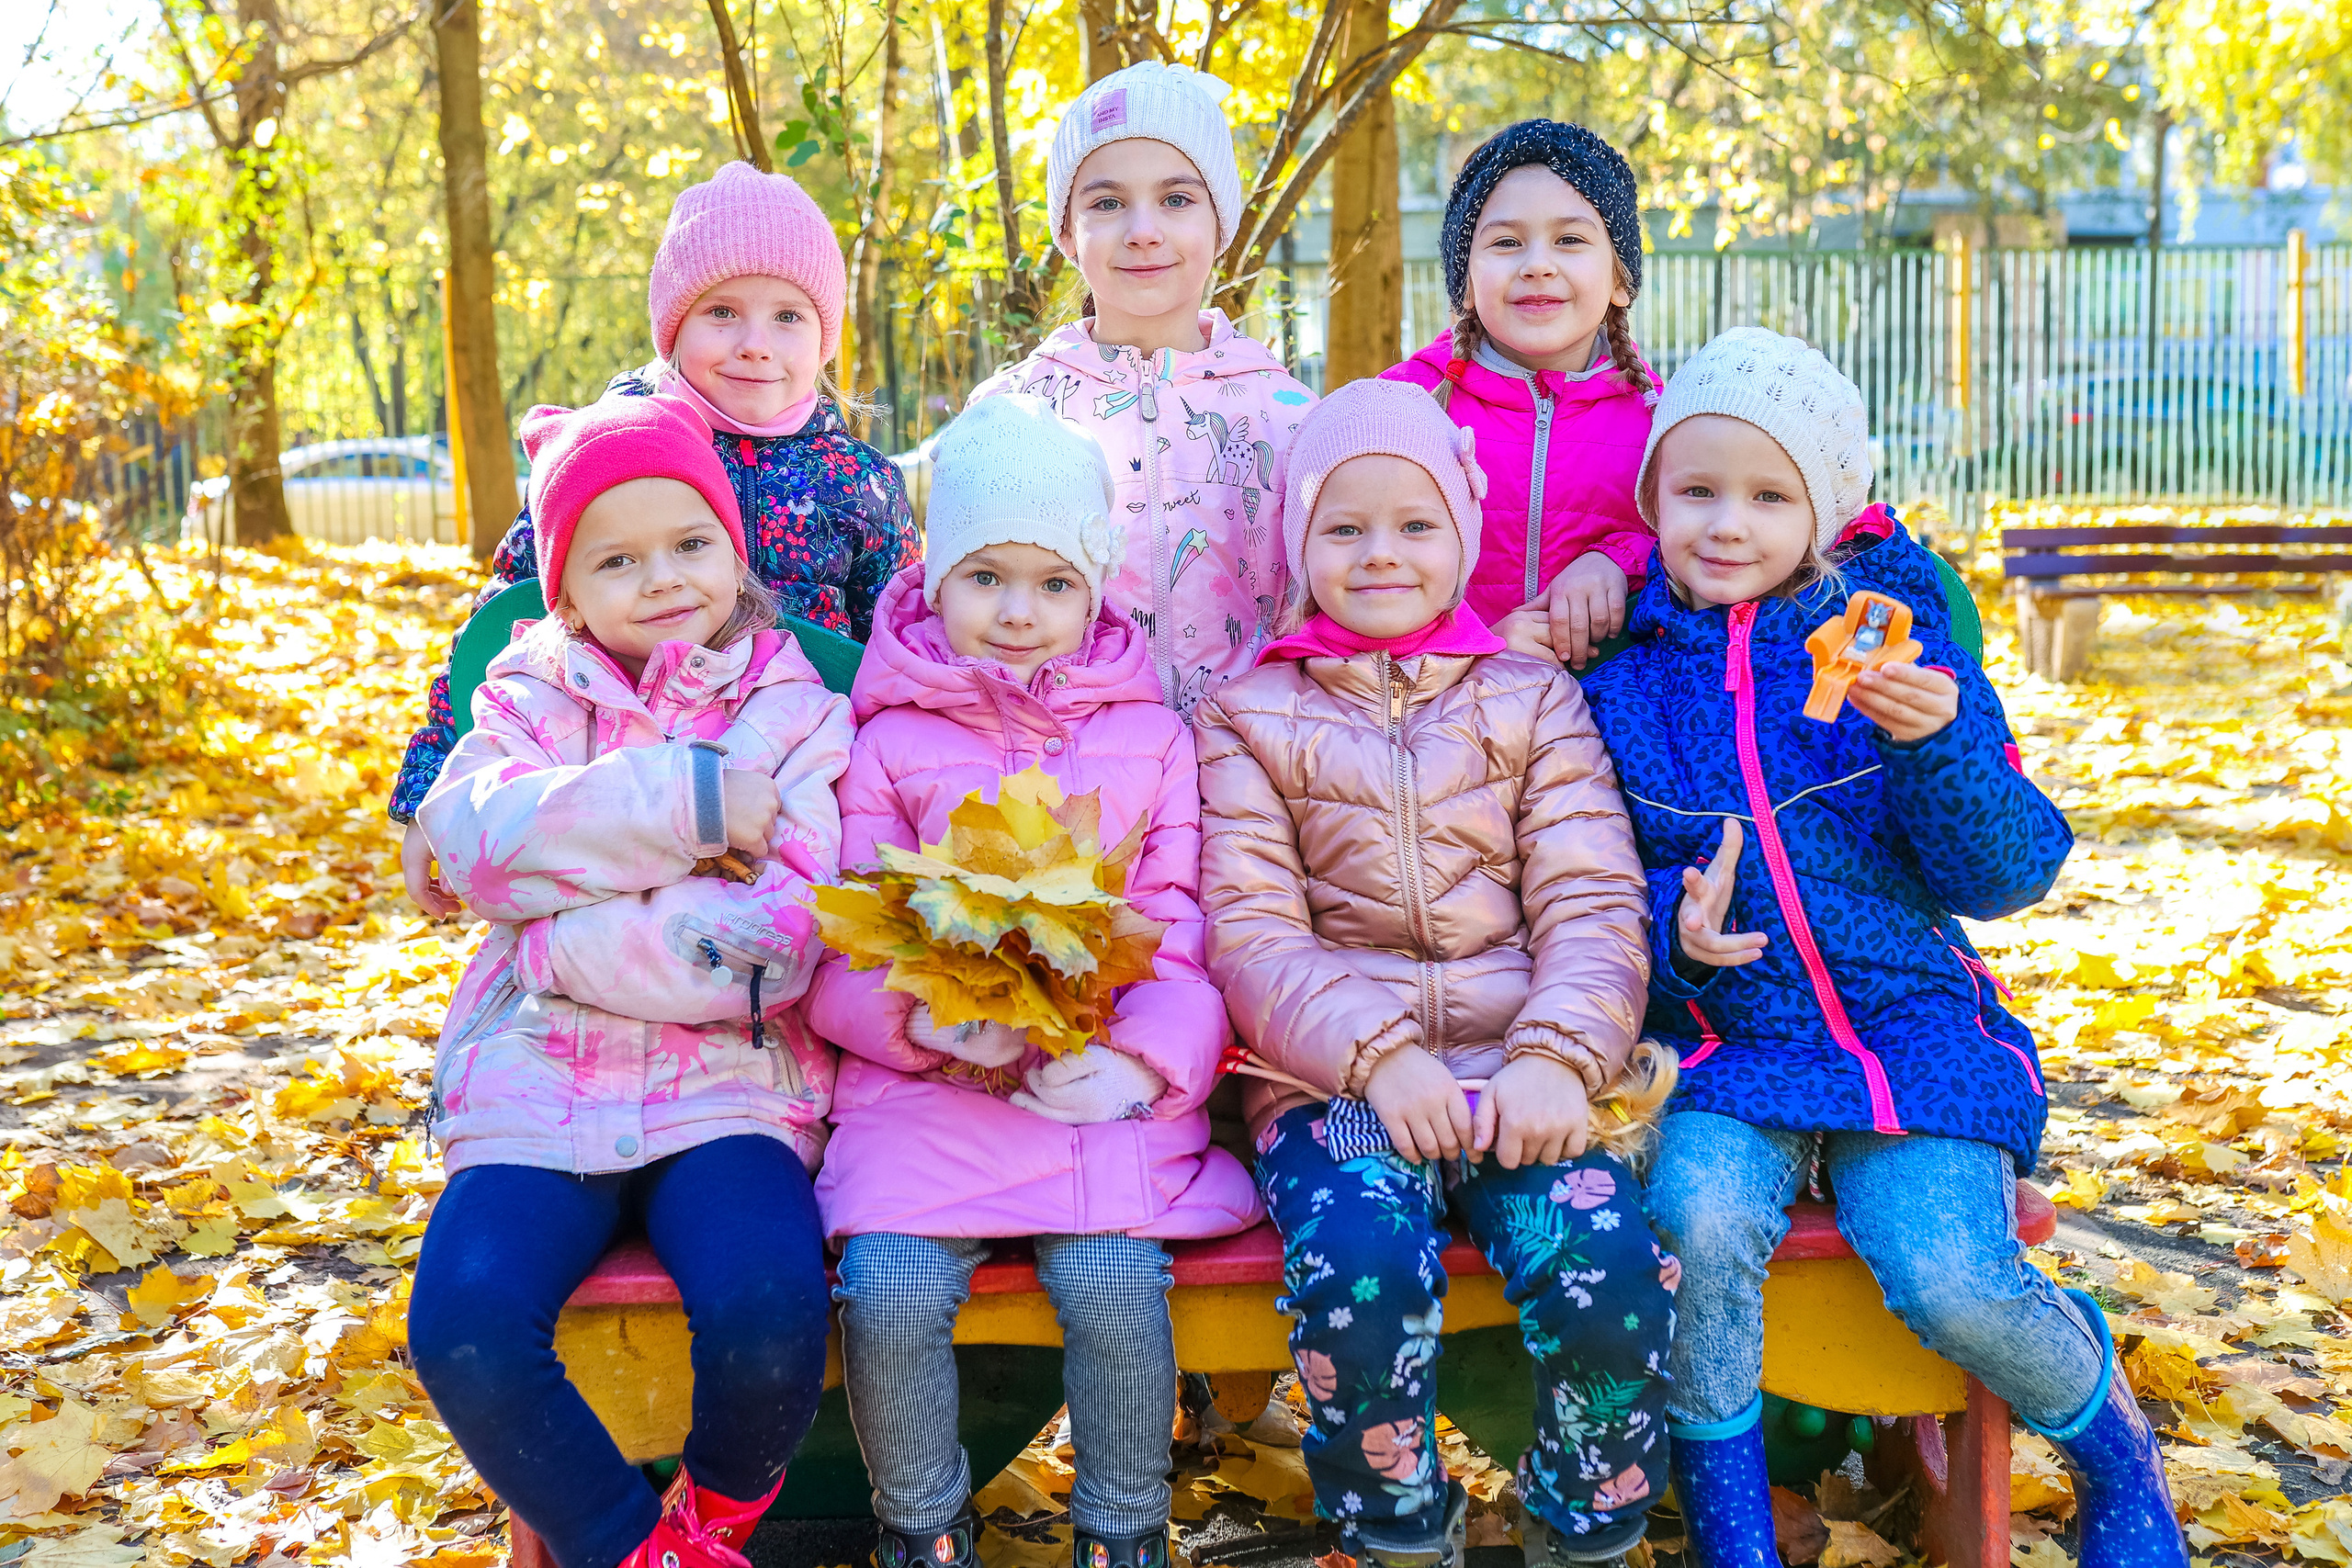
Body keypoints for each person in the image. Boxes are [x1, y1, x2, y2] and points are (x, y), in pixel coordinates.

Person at [1577, 328, 2186, 1568]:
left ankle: (2113, 1441)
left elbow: (2011, 868)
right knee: (1694, 1219)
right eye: (1695, 491)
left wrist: (1940, 739)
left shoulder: (1889, 633)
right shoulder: (1628, 682)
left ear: (1829, 506)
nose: (1728, 524)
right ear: (1653, 501)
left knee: (1952, 1272)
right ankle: (1735, 1527)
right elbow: (1598, 878)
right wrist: (1675, 937)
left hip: (1912, 1036)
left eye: (1768, 494)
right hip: (1729, 1046)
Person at [1195, 378, 1679, 1568]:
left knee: (1610, 1272)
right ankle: (1398, 1532)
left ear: (1462, 535)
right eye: (1343, 526)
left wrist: (1561, 1056)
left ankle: (1585, 1524)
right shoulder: (1251, 712)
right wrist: (1378, 1055)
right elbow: (1253, 931)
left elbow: (1591, 900)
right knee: (1363, 1273)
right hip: (1336, 1085)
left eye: (1414, 524)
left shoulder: (1530, 698)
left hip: (1528, 1076)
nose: (1380, 553)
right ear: (1298, 543)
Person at [806, 396, 1258, 1568]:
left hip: (1089, 1088)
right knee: (892, 1288)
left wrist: (1144, 1062)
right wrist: (937, 1031)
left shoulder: (1150, 737)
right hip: (925, 1100)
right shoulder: (886, 736)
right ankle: (923, 1524)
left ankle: (1121, 1529)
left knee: (1113, 1281)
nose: (1018, 612)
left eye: (1054, 583)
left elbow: (1178, 925)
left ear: (1095, 592)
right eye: (986, 578)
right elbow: (846, 936)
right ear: (934, 579)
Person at [405, 394, 854, 1568]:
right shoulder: (521, 696)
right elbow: (473, 844)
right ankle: (629, 1551)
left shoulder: (790, 708)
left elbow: (783, 939)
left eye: (690, 544)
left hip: (732, 1093)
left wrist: (555, 931)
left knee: (770, 1312)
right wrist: (690, 811)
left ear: (732, 548)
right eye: (617, 559)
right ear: (564, 590)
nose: (662, 579)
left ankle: (714, 1523)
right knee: (462, 1325)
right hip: (535, 1089)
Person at [394, 161, 915, 907]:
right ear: (674, 325)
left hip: (795, 802)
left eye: (789, 317)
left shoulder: (860, 483)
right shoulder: (604, 452)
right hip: (610, 785)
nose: (756, 343)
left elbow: (901, 647)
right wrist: (430, 787)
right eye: (722, 312)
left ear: (826, 336)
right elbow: (504, 623)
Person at [967, 61, 1316, 716]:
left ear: (1221, 221)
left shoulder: (1290, 417)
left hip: (1253, 785)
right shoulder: (1012, 414)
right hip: (1071, 777)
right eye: (1107, 203)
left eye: (1177, 199)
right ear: (1067, 232)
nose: (1143, 229)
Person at [1383, 119, 1657, 671]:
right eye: (1506, 242)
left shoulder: (1666, 424)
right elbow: (1354, 568)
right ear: (1464, 282)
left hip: (1606, 739)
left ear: (1620, 277)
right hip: (1442, 721)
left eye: (1570, 240)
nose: (1537, 264)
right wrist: (1478, 647)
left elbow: (1715, 540)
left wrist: (1619, 561)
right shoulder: (1401, 410)